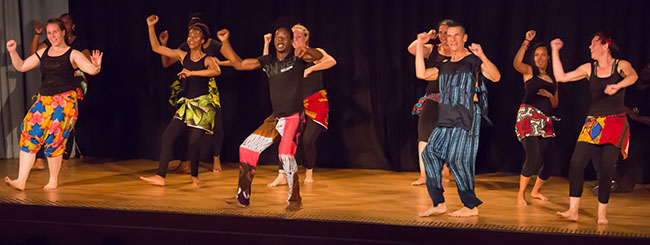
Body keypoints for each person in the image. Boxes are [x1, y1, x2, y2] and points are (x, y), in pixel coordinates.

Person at [217, 26, 323, 211]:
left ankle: (295, 199)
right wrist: (225, 42)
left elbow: (318, 57)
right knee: (247, 148)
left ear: (290, 41)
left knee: (285, 155)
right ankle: (243, 197)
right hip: (275, 118)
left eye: (283, 38)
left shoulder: (297, 58)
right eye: (276, 38)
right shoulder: (269, 60)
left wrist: (307, 50)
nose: (279, 40)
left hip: (294, 117)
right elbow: (239, 64)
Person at [4, 18, 102, 191]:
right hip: (44, 100)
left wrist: (96, 66)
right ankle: (21, 180)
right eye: (49, 33)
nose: (52, 36)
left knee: (54, 137)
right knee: (29, 131)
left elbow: (91, 70)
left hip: (65, 101)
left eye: (55, 32)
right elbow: (21, 66)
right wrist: (12, 52)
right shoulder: (43, 53)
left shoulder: (73, 54)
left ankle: (53, 180)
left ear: (63, 32)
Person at [415, 21, 501, 218]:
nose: (451, 39)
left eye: (456, 35)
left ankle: (470, 206)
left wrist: (481, 55)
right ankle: (438, 203)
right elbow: (422, 73)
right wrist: (420, 46)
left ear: (464, 38)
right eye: (449, 35)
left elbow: (495, 77)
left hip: (467, 115)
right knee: (429, 154)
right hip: (446, 116)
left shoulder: (473, 61)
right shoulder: (444, 65)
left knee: (458, 159)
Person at [551, 33, 638, 225]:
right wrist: (555, 51)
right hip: (594, 123)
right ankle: (573, 210)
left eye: (593, 44)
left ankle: (601, 214)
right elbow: (561, 77)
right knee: (576, 163)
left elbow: (633, 76)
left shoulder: (620, 65)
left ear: (605, 45)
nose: (590, 47)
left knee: (606, 169)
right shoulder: (589, 68)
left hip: (616, 122)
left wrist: (618, 85)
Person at [139, 15, 221, 186]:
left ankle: (194, 176)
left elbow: (215, 71)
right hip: (187, 105)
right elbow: (156, 48)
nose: (191, 38)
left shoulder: (208, 59)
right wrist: (150, 27)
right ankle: (160, 177)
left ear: (202, 41)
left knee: (193, 144)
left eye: (195, 36)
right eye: (190, 35)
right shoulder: (182, 55)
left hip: (203, 106)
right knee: (168, 136)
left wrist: (192, 73)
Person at [264, 24, 337, 186]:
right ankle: (282, 174)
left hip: (316, 101)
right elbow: (267, 67)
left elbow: (331, 61)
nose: (296, 40)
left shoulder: (313, 53)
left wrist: (310, 70)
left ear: (306, 38)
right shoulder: (288, 57)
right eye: (293, 37)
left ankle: (309, 172)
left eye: (299, 37)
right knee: (287, 138)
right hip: (295, 102)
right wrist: (267, 44)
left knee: (308, 140)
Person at [157, 13, 225, 173]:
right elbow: (166, 62)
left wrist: (219, 63)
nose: (192, 34)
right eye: (190, 31)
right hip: (189, 86)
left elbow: (229, 63)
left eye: (196, 31)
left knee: (217, 122)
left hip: (207, 88)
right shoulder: (185, 48)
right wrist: (163, 43)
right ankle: (185, 162)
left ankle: (216, 158)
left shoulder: (213, 45)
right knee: (183, 128)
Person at [30, 13, 90, 171]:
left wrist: (71, 62)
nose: (63, 25)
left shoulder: (77, 43)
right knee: (44, 122)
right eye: (61, 23)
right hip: (51, 86)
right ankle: (40, 158)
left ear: (71, 27)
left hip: (72, 84)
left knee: (65, 123)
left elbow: (86, 61)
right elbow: (34, 54)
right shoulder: (50, 43)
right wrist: (37, 35)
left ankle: (64, 157)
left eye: (66, 23)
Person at [512, 30, 558, 206]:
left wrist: (548, 94)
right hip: (528, 116)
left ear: (548, 58)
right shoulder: (529, 72)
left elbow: (555, 103)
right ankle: (520, 195)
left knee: (550, 161)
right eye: (536, 55)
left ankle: (536, 191)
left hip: (545, 120)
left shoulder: (553, 79)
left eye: (543, 55)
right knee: (533, 156)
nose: (539, 58)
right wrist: (526, 42)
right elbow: (516, 63)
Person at [406, 19, 453, 186]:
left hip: (453, 100)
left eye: (446, 32)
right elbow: (411, 49)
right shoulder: (433, 49)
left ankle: (445, 172)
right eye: (440, 32)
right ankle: (424, 175)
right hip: (432, 98)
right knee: (424, 137)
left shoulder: (460, 53)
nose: (443, 36)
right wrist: (423, 40)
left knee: (449, 137)